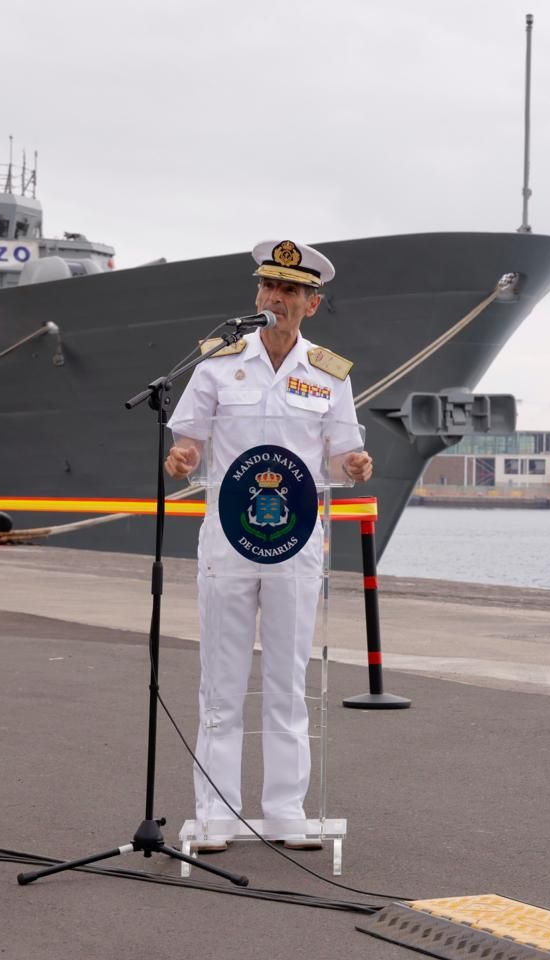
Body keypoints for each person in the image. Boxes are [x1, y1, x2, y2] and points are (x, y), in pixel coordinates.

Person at [164, 239, 373, 851]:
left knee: (287, 681)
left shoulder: (329, 375)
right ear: (257, 294)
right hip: (228, 543)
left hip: (295, 546)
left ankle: (286, 810)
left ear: (313, 302)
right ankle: (215, 813)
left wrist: (355, 464)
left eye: (289, 291)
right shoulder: (215, 363)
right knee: (220, 684)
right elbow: (189, 445)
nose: (275, 299)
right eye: (268, 288)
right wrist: (182, 458)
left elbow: (340, 457)